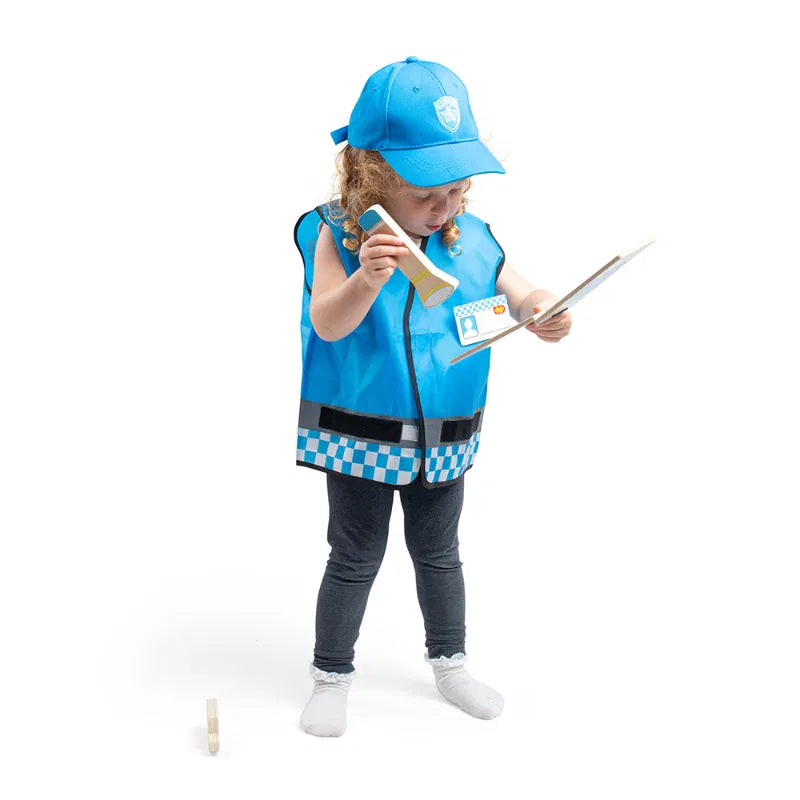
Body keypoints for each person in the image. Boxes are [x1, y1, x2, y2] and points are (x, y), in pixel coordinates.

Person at [293, 57, 572, 737]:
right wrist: (366, 278)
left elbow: (519, 289)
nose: (446, 207)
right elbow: (327, 321)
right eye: (428, 194)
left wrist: (543, 310)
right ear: (373, 176)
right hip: (360, 437)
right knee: (355, 555)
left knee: (440, 552)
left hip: (445, 439)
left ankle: (450, 663)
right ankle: (331, 675)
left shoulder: (470, 237)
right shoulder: (334, 231)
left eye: (458, 189)